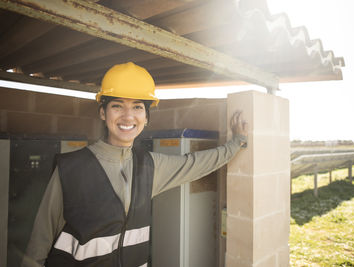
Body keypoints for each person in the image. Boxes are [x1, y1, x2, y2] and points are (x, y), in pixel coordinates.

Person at [21, 62, 247, 267]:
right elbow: (39, 241)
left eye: (138, 107)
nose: (128, 116)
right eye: (117, 106)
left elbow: (198, 163)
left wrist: (237, 142)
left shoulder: (150, 166)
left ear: (146, 117)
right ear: (103, 112)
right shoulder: (70, 168)